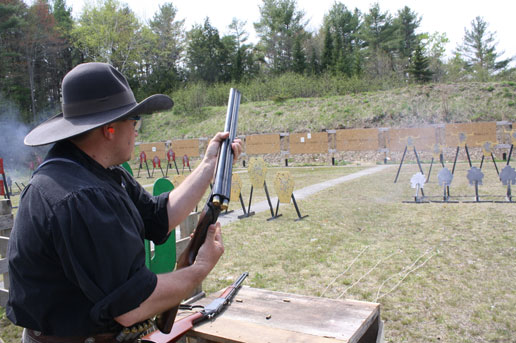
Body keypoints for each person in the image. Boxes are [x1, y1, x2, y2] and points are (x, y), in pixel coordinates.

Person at [6, 62, 242, 342]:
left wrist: (209, 165)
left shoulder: (94, 171)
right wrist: (199, 268)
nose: (136, 130)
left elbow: (158, 217)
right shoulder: (81, 197)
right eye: (133, 121)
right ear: (109, 129)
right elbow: (131, 305)